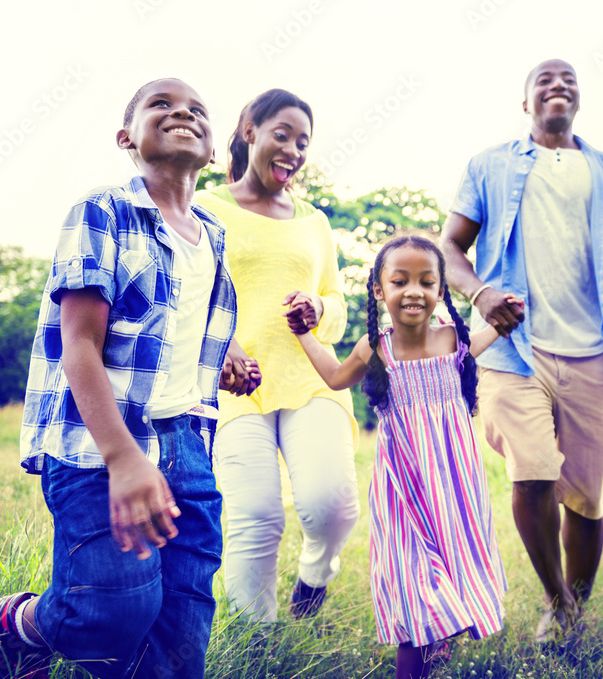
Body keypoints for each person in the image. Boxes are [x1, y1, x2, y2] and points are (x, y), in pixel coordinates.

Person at [0, 78, 253, 679]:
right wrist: (123, 458)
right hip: (100, 445)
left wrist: (227, 354)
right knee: (110, 616)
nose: (181, 111)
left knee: (183, 632)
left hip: (190, 446)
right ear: (126, 137)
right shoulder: (102, 211)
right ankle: (17, 626)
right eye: (161, 104)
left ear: (214, 151)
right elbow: (79, 342)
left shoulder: (213, 236)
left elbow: (180, 317)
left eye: (196, 109)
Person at [440, 57, 603, 645]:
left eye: (569, 81)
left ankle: (575, 608)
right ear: (526, 102)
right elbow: (449, 248)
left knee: (587, 496)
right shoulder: (490, 165)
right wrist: (482, 295)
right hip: (513, 350)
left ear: (579, 101)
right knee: (532, 473)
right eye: (545, 80)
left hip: (591, 354)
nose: (558, 86)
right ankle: (554, 599)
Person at [288, 234, 518, 679]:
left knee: (451, 566)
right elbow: (336, 378)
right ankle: (412, 665)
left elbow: (490, 335)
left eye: (427, 282)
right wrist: (303, 334)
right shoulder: (376, 347)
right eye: (400, 281)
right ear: (379, 290)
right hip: (403, 489)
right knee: (413, 581)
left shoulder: (455, 339)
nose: (414, 291)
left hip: (454, 488)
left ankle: (439, 645)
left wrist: (509, 316)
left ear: (439, 292)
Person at [193, 89, 360, 625]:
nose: (291, 149)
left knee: (330, 506)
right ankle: (254, 637)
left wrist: (318, 306)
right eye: (281, 135)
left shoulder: (315, 223)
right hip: (235, 388)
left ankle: (315, 576)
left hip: (314, 380)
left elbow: (339, 307)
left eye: (303, 142)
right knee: (256, 515)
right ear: (250, 132)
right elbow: (189, 295)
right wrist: (223, 347)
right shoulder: (205, 206)